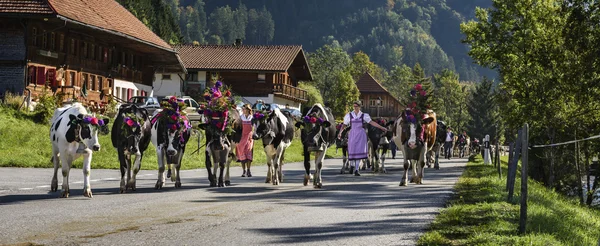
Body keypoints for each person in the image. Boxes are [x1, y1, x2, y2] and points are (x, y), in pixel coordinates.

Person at [338, 101, 388, 176]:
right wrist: (340, 132)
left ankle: (357, 169)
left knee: (359, 150)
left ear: (360, 107)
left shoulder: (364, 115)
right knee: (352, 149)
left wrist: (381, 127)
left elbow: (371, 122)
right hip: (352, 133)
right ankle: (352, 165)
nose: (355, 108)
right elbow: (344, 125)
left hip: (361, 134)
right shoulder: (349, 115)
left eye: (356, 106)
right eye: (354, 106)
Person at [237, 104, 255, 177]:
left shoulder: (252, 118)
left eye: (244, 109)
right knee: (242, 153)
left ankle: (248, 170)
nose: (243, 110)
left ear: (248, 110)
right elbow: (237, 127)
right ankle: (244, 170)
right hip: (242, 137)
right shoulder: (241, 117)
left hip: (249, 137)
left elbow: (255, 127)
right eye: (243, 109)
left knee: (249, 153)